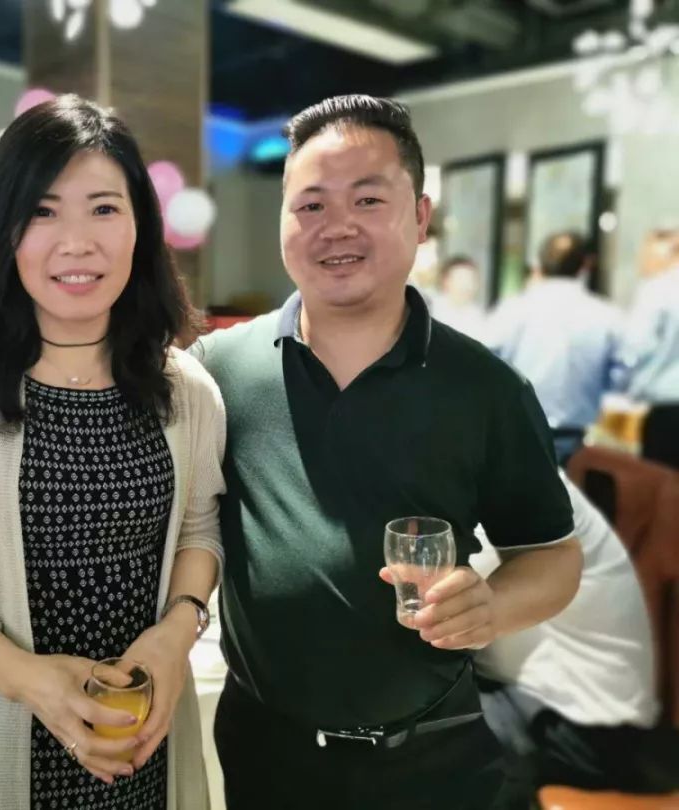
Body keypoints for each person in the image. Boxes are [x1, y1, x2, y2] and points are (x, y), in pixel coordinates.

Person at [193, 95, 582, 810]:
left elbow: (553, 556)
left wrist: (491, 605)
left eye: (368, 199)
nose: (336, 226)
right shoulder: (218, 371)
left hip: (433, 754)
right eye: (310, 205)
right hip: (266, 750)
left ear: (421, 218)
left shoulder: (486, 388)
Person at [0, 95, 224, 810]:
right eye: (42, 211)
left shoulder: (184, 388)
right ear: (4, 232)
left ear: (139, 227)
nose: (77, 242)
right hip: (8, 745)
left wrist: (176, 632)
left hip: (149, 744)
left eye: (104, 209)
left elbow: (199, 528)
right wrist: (25, 678)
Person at [473, 471, 678, 806]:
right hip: (546, 701)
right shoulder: (513, 479)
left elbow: (433, 603)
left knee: (430, 737)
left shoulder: (523, 492)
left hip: (591, 730)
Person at [487, 231, 625, 463]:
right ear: (586, 264)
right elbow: (621, 376)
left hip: (516, 434)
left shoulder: (513, 310)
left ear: (539, 263)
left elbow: (482, 364)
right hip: (577, 441)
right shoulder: (607, 316)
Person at [620, 226, 679, 404]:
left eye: (647, 256)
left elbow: (635, 348)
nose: (642, 263)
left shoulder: (656, 289)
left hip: (661, 402)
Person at [429, 254, 486, 340]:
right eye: (460, 279)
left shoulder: (478, 315)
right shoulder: (431, 309)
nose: (466, 286)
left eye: (471, 280)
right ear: (446, 281)